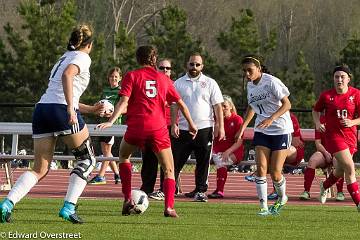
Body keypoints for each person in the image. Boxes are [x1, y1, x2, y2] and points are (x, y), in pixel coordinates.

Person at [0, 24, 99, 224]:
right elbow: (67, 77)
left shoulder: (63, 58)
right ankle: (69, 207)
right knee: (87, 160)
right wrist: (71, 108)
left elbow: (59, 92)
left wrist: (90, 109)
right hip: (60, 110)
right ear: (88, 44)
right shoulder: (83, 57)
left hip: (43, 109)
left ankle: (6, 205)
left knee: (39, 169)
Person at [96, 46, 197, 218]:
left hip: (136, 127)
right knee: (169, 170)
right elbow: (180, 103)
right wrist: (192, 124)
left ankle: (127, 198)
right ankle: (169, 207)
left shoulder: (132, 76)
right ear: (154, 60)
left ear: (138, 59)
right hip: (158, 128)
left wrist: (111, 121)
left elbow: (123, 101)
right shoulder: (164, 79)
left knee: (123, 157)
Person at [235, 56, 293, 216]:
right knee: (260, 169)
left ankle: (282, 198)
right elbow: (252, 108)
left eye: (250, 70)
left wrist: (271, 118)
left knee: (275, 172)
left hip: (281, 130)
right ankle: (264, 207)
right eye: (244, 71)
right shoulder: (250, 86)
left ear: (259, 69)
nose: (247, 74)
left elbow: (288, 104)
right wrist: (243, 127)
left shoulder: (271, 82)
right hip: (262, 130)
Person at [171, 52, 225, 202]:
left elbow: (218, 106)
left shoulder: (210, 83)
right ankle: (169, 189)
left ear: (202, 66)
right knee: (175, 161)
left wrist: (220, 126)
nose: (194, 67)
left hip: (205, 128)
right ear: (186, 65)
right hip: (182, 129)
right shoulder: (178, 83)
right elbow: (174, 106)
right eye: (191, 64)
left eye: (197, 64)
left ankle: (200, 191)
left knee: (203, 161)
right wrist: (174, 123)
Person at [313, 64, 360, 210]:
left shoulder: (356, 95)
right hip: (333, 137)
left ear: (348, 79)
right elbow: (315, 110)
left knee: (339, 170)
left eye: (342, 77)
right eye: (336, 77)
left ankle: (325, 185)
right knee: (350, 169)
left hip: (350, 137)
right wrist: (317, 123)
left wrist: (352, 121)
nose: (339, 79)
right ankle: (358, 202)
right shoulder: (327, 96)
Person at [140, 59, 173, 200]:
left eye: (168, 68)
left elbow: (179, 105)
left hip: (168, 126)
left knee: (167, 163)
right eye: (162, 67)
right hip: (151, 126)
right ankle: (147, 188)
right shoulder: (150, 84)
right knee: (148, 159)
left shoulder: (173, 84)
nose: (165, 70)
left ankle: (165, 189)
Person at [88, 67, 122, 185]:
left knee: (106, 150)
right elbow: (99, 105)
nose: (113, 79)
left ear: (120, 78)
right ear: (108, 78)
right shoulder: (105, 91)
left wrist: (112, 113)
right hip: (103, 122)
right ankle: (118, 174)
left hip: (112, 124)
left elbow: (123, 107)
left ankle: (101, 176)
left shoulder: (121, 91)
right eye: (112, 76)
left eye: (116, 77)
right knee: (106, 150)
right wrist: (98, 108)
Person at [299, 115, 345, 201]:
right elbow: (318, 143)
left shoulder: (340, 120)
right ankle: (306, 191)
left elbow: (342, 141)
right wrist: (326, 153)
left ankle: (340, 192)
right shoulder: (320, 121)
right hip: (324, 152)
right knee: (312, 160)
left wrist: (334, 153)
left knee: (338, 161)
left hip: (337, 151)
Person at [208, 95, 244, 199]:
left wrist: (228, 151)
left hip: (234, 151)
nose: (222, 109)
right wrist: (219, 122)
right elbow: (215, 136)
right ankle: (200, 189)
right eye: (220, 106)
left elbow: (239, 142)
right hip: (217, 150)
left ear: (231, 107)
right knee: (203, 161)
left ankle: (220, 191)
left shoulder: (237, 119)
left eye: (225, 106)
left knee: (221, 161)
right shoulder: (215, 119)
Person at [267, 112, 305, 200]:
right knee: (272, 153)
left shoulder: (290, 117)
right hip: (278, 149)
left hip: (294, 151)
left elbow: (296, 142)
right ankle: (277, 190)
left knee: (276, 152)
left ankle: (276, 189)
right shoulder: (269, 117)